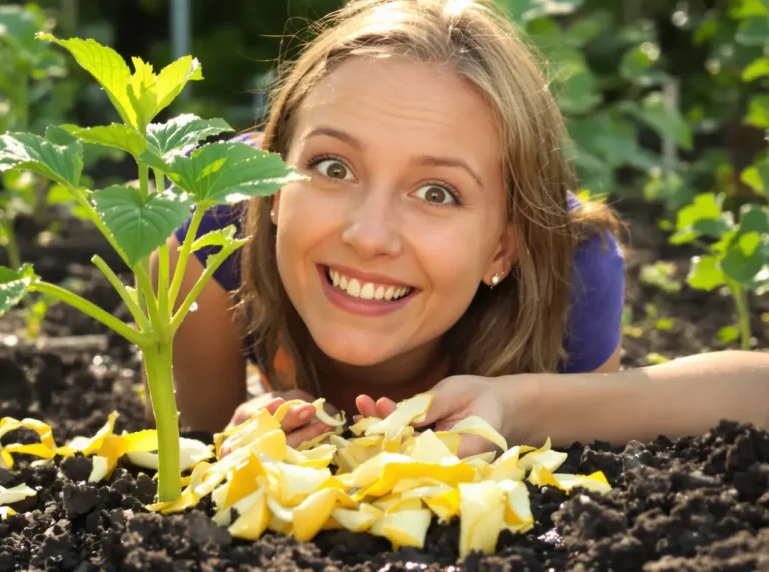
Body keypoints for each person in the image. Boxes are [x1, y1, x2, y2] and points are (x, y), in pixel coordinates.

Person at [147, 0, 769, 456]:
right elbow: (190, 449)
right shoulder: (210, 227)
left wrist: (518, 407)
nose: (370, 235)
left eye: (437, 192)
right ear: (276, 184)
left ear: (505, 243)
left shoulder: (570, 267)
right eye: (332, 167)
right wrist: (243, 435)